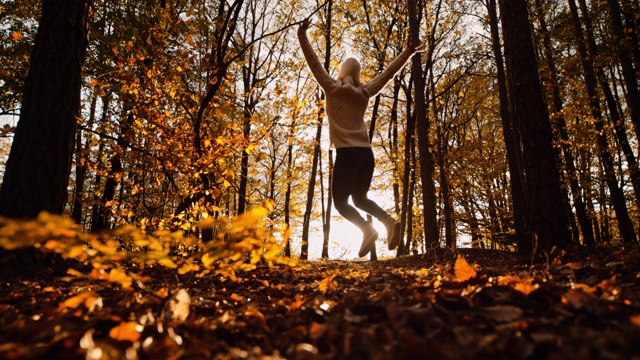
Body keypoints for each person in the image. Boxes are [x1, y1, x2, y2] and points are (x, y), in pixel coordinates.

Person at [297, 17, 424, 257]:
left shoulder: (332, 88)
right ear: (357, 75)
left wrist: (302, 35)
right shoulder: (365, 91)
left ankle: (367, 229)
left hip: (347, 153)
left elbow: (314, 63)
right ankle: (387, 221)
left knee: (341, 203)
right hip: (366, 154)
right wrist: (408, 51)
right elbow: (387, 74)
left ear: (342, 72)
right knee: (360, 198)